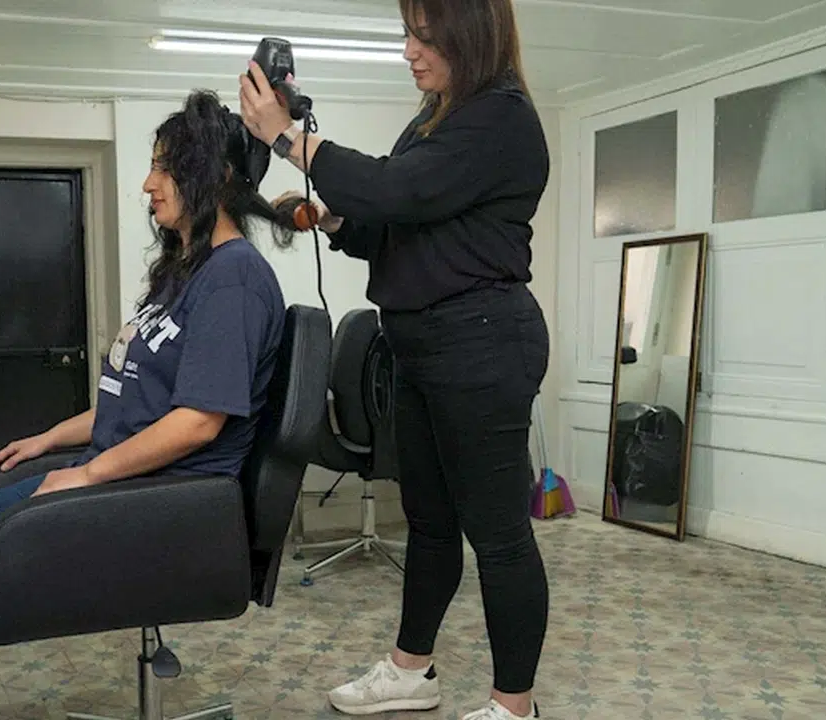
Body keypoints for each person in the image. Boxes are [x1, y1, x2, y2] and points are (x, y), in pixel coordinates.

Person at [0, 89, 305, 720]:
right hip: (122, 475)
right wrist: (50, 439)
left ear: (210, 176)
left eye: (164, 168)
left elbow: (197, 422)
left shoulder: (234, 278)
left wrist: (88, 474)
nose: (148, 184)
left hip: (169, 501)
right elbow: (135, 396)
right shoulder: (188, 270)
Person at [238, 0, 551, 719]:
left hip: (481, 342)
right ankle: (412, 671)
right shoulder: (437, 117)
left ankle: (515, 707)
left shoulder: (500, 116)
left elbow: (396, 188)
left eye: (425, 36)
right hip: (421, 344)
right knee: (429, 522)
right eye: (408, 34)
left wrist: (287, 137)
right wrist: (335, 218)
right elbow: (396, 218)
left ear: (470, 36)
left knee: (499, 536)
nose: (410, 51)